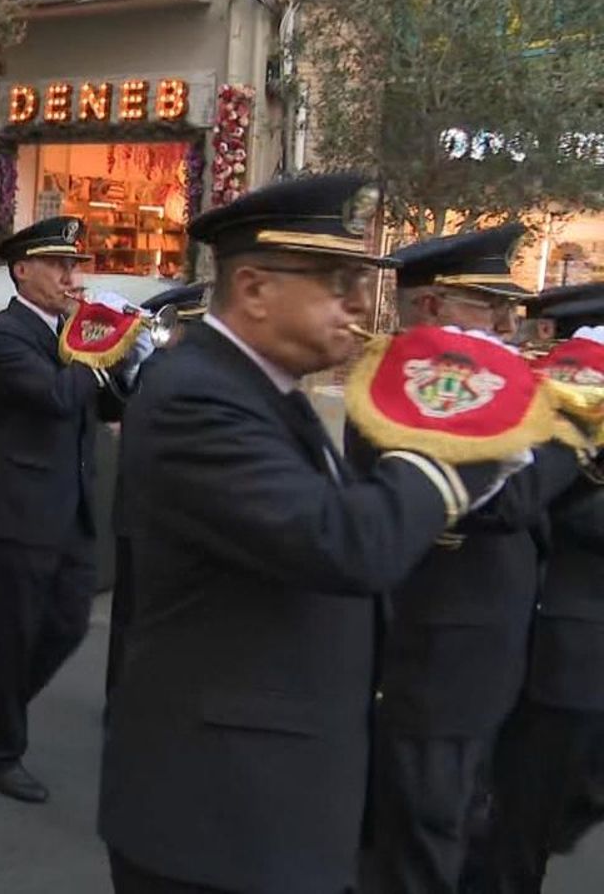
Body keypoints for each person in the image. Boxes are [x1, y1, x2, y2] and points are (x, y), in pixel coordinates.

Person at [98, 173, 518, 894]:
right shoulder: (197, 396)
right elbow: (346, 545)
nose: (357, 305)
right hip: (219, 821)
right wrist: (461, 443)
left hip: (270, 803)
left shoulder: (264, 388)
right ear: (254, 288)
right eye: (334, 282)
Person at [352, 225, 583, 894]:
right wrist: (575, 428)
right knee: (424, 832)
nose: (510, 323)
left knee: (457, 820)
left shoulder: (480, 381)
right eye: (488, 306)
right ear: (430, 307)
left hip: (480, 650)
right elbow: (501, 505)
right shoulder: (415, 387)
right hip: (439, 653)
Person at [0, 216, 149, 803]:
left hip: (72, 503)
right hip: (21, 505)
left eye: (71, 265)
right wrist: (96, 345)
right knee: (15, 632)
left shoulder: (68, 329)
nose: (69, 275)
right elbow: (59, 397)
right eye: (57, 265)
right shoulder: (6, 335)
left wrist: (126, 357)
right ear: (22, 270)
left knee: (67, 623)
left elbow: (109, 399)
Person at [477, 283, 604, 893]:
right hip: (551, 647)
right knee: (518, 828)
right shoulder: (556, 412)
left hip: (570, 651)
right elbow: (537, 510)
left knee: (539, 821)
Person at [105, 281, 206, 704]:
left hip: (158, 514)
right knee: (134, 616)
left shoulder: (171, 370)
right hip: (147, 513)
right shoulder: (157, 373)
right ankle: (125, 699)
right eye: (191, 326)